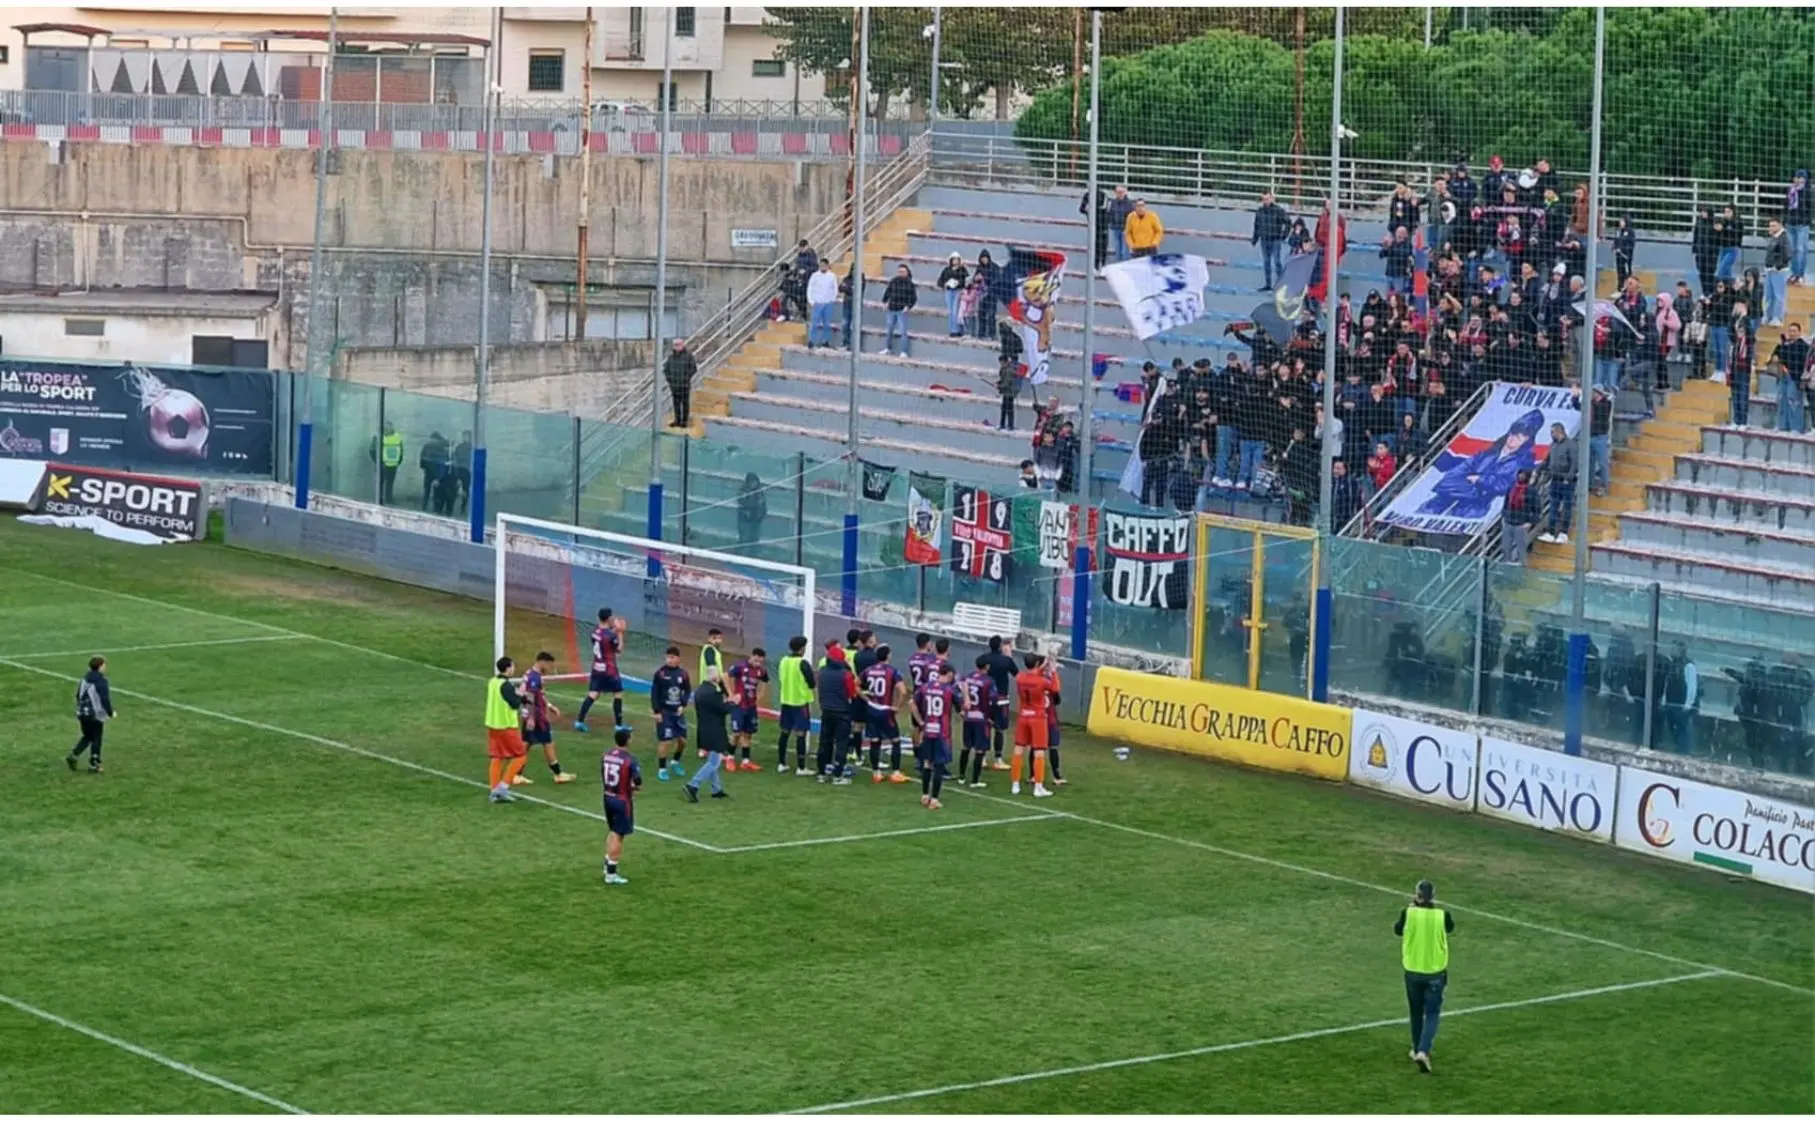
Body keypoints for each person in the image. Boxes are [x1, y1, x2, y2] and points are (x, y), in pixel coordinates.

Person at [1396, 879, 1454, 1074]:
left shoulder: (1408, 913)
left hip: (1413, 971)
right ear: (1434, 897)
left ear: (1417, 895)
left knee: (1415, 1011)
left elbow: (1397, 930)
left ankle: (1416, 1048)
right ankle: (1423, 1050)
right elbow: (1450, 928)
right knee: (1432, 1013)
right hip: (1435, 972)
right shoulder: (1442, 915)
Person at [518, 651, 573, 785]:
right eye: (549, 665)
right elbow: (530, 697)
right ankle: (557, 774)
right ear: (542, 662)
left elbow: (538, 695)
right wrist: (531, 717)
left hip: (533, 714)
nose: (549, 668)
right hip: (537, 717)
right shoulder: (535, 678)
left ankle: (516, 773)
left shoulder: (530, 674)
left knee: (529, 743)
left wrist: (549, 706)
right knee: (545, 743)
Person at [860, 645, 912, 783]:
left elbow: (856, 684)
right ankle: (895, 772)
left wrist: (865, 698)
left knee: (875, 741)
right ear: (888, 655)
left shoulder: (868, 670)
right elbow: (903, 691)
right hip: (885, 710)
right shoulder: (892, 671)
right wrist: (897, 706)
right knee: (895, 740)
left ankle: (876, 773)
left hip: (872, 709)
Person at [1011, 652, 1057, 798]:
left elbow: (1031, 676)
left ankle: (1015, 784)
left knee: (1018, 749)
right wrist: (1053, 671)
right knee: (1039, 751)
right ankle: (1038, 787)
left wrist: (1042, 666)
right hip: (1038, 717)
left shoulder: (1019, 677)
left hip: (1023, 715)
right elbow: (1055, 688)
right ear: (1037, 664)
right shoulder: (1042, 681)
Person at [913, 664, 959, 810]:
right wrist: (964, 691)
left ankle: (925, 795)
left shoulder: (925, 687)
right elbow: (963, 708)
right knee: (939, 764)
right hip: (942, 732)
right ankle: (934, 799)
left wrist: (920, 722)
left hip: (928, 730)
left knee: (927, 763)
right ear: (949, 674)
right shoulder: (949, 690)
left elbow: (912, 703)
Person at [599, 729, 642, 886]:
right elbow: (637, 781)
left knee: (613, 830)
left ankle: (607, 864)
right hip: (622, 800)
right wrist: (634, 787)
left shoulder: (606, 755)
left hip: (607, 796)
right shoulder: (630, 760)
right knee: (618, 834)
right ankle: (611, 874)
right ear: (628, 740)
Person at [575, 607, 627, 734]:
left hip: (597, 667)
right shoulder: (611, 635)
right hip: (609, 669)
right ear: (609, 618)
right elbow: (619, 649)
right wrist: (620, 633)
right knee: (618, 693)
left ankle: (579, 721)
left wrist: (614, 630)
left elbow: (605, 639)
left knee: (593, 694)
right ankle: (619, 725)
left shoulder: (595, 632)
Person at [814, 640, 859, 784]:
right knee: (841, 743)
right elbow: (852, 693)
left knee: (825, 741)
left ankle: (822, 771)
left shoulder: (822, 672)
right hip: (842, 712)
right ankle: (838, 774)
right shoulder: (846, 675)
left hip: (826, 710)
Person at [485, 656, 529, 802]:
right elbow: (514, 704)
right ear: (508, 668)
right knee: (521, 756)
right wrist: (521, 694)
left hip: (493, 724)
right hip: (506, 726)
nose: (514, 669)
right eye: (513, 666)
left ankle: (494, 790)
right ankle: (503, 787)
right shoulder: (506, 685)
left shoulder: (492, 682)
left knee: (497, 757)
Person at [683, 671, 731, 802]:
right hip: (715, 730)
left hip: (704, 728)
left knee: (712, 759)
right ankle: (693, 785)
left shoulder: (701, 690)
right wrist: (733, 702)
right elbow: (723, 709)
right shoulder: (712, 693)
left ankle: (716, 789)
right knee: (714, 762)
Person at [774, 635, 817, 775]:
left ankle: (781, 763)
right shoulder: (802, 663)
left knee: (784, 732)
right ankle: (801, 767)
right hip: (800, 702)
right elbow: (812, 683)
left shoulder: (783, 661)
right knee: (801, 734)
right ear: (802, 648)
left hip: (786, 700)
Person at [66, 655, 114, 774]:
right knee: (97, 737)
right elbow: (104, 698)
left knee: (88, 736)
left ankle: (74, 754)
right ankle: (95, 764)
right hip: (96, 714)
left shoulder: (84, 679)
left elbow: (78, 695)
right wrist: (110, 712)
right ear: (100, 666)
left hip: (83, 712)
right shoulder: (101, 681)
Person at [649, 647, 691, 781]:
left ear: (678, 659)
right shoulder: (660, 674)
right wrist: (656, 711)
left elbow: (687, 690)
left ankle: (675, 762)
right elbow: (654, 693)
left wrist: (683, 704)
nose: (669, 660)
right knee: (666, 740)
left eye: (672, 657)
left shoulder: (683, 674)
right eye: (667, 657)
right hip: (664, 712)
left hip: (677, 713)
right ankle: (662, 769)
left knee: (683, 741)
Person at [956, 655, 997, 789]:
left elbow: (959, 692)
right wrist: (991, 717)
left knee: (966, 746)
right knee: (980, 750)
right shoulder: (988, 681)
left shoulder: (967, 677)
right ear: (987, 666)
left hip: (969, 716)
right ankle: (975, 780)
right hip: (981, 718)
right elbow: (993, 700)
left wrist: (962, 708)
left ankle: (961, 776)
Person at [725, 647, 768, 772]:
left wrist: (760, 695)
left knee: (748, 733)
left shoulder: (761, 671)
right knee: (736, 733)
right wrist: (731, 694)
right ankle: (730, 758)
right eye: (756, 660)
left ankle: (745, 761)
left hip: (751, 706)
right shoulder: (740, 666)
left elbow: (765, 681)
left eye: (761, 661)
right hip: (739, 706)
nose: (758, 663)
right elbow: (725, 676)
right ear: (752, 656)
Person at [1537, 422, 1577, 544]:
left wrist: (1568, 478)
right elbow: (1547, 460)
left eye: (1553, 432)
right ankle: (1551, 532)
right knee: (1553, 506)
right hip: (1554, 479)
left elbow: (1575, 463)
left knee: (1566, 507)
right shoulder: (1553, 445)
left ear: (1559, 431)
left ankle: (1563, 532)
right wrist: (1538, 469)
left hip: (1566, 482)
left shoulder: (1571, 445)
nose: (1551, 434)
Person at [981, 636, 1017, 770]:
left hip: (986, 697)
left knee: (985, 727)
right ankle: (998, 759)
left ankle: (982, 757)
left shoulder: (984, 658)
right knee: (999, 729)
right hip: (1001, 698)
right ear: (1001, 646)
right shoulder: (1006, 660)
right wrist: (1009, 657)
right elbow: (1016, 673)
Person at [1771, 322, 1810, 433]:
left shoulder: (1803, 346)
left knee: (1794, 402)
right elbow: (1776, 354)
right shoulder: (1784, 344)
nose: (1792, 333)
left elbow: (1803, 363)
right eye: (1790, 331)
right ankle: (1782, 425)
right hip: (1783, 377)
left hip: (1795, 377)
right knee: (1781, 400)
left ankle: (1796, 427)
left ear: (1799, 333)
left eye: (1794, 331)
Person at [1662, 642, 1699, 756]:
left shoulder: (1689, 666)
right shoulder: (1672, 664)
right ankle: (1679, 748)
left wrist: (1688, 703)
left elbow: (1692, 686)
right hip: (1671, 703)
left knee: (1683, 730)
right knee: (1673, 728)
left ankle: (1684, 751)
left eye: (1673, 649)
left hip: (1681, 705)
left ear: (1680, 651)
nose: (1671, 651)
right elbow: (1667, 683)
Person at [1252, 190, 1291, 291]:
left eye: (1267, 199)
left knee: (1277, 261)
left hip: (1275, 240)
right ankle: (1268, 284)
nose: (1265, 201)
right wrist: (1255, 238)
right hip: (1264, 239)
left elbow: (1288, 222)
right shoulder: (1260, 211)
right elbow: (1257, 225)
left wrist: (1283, 235)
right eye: (1264, 199)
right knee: (1266, 262)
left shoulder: (1278, 210)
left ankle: (1281, 284)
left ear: (1271, 199)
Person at [1500, 469, 1537, 565]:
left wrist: (1530, 522)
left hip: (1521, 524)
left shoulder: (1531, 491)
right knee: (1505, 546)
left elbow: (1537, 509)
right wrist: (1504, 516)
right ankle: (1506, 563)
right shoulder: (1511, 488)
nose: (1520, 477)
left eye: (1523, 476)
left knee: (1521, 548)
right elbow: (1506, 503)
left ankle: (1521, 566)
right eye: (1519, 475)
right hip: (1508, 521)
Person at [883, 264, 917, 356]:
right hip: (891, 308)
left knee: (903, 331)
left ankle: (904, 351)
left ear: (907, 272)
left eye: (903, 272)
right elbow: (888, 292)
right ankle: (888, 348)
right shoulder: (893, 281)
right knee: (889, 330)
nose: (901, 273)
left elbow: (913, 298)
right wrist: (885, 302)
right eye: (899, 271)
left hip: (902, 310)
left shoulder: (910, 284)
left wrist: (908, 307)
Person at [663, 337, 698, 428]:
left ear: (682, 345)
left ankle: (684, 422)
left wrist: (686, 378)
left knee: (685, 403)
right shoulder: (671, 358)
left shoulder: (688, 356)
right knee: (676, 404)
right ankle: (677, 421)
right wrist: (670, 380)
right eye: (675, 345)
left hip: (684, 385)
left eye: (679, 345)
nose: (677, 346)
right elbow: (666, 370)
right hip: (674, 385)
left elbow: (693, 368)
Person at [1763, 218, 1791, 327]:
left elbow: (1787, 255)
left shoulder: (1784, 238)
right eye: (1770, 226)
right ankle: (1768, 316)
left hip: (1779, 271)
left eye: (1774, 225)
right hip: (1769, 270)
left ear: (1780, 225)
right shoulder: (1773, 237)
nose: (1771, 228)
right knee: (1768, 295)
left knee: (1778, 295)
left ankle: (1778, 318)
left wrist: (1778, 266)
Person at [806, 259, 839, 348]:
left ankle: (826, 341)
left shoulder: (832, 276)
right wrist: (811, 301)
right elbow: (810, 288)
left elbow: (835, 288)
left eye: (824, 265)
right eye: (821, 265)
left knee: (827, 323)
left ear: (828, 266)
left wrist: (832, 299)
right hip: (817, 302)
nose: (822, 267)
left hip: (828, 303)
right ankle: (812, 341)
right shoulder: (814, 276)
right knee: (815, 323)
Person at [937, 252, 969, 336]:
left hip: (958, 291)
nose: (955, 261)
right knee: (950, 312)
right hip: (948, 291)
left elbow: (966, 280)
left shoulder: (962, 269)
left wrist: (958, 283)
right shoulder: (946, 270)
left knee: (956, 311)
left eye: (957, 259)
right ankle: (952, 330)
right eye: (954, 259)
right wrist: (945, 284)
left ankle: (957, 330)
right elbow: (940, 281)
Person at [1789, 170, 1811, 287]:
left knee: (1800, 250)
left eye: (1800, 177)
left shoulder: (1808, 191)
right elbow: (1786, 205)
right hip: (1790, 223)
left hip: (1802, 225)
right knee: (1792, 250)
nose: (1797, 179)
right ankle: (1794, 274)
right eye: (1796, 177)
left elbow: (1811, 208)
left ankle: (1800, 274)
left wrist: (1806, 221)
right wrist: (1785, 219)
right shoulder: (1791, 190)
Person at [371, 422, 402, 505]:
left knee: (390, 484)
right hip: (382, 465)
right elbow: (372, 451)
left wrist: (398, 461)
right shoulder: (378, 437)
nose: (387, 429)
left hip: (393, 465)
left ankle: (389, 499)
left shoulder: (397, 437)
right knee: (380, 483)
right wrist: (378, 462)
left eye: (389, 427)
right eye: (385, 428)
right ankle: (379, 500)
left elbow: (401, 450)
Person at [418, 430, 448, 512]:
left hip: (433, 472)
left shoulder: (436, 447)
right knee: (430, 491)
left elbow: (442, 462)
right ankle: (430, 508)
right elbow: (422, 457)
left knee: (432, 491)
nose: (432, 441)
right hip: (431, 472)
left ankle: (429, 507)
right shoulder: (430, 447)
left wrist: (438, 476)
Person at [736, 473, 767, 546]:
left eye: (755, 482)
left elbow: (763, 505)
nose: (754, 484)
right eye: (752, 482)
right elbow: (742, 501)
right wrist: (755, 504)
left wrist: (762, 515)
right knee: (744, 538)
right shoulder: (743, 491)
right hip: (745, 519)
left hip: (756, 519)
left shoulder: (759, 492)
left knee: (754, 539)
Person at [1106, 185, 1135, 261]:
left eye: (1121, 192)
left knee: (1124, 251)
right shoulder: (1113, 202)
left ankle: (1124, 264)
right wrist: (1110, 223)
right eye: (1118, 192)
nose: (1120, 194)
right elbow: (1110, 213)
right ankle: (1118, 264)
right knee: (1117, 250)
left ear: (1125, 192)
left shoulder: (1130, 204)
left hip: (1126, 230)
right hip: (1116, 229)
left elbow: (1133, 217)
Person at [996, 352, 1020, 431]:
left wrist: (999, 386)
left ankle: (1010, 425)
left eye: (1001, 362)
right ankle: (1003, 424)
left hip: (1010, 393)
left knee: (1009, 409)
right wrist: (998, 383)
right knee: (1004, 409)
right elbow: (1003, 380)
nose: (1000, 364)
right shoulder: (1005, 369)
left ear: (1005, 361)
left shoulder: (1009, 370)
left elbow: (1006, 383)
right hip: (1006, 392)